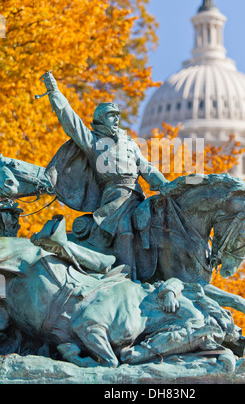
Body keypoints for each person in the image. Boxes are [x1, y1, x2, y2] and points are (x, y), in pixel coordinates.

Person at [40, 71, 170, 279]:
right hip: (114, 198)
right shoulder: (93, 142)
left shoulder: (129, 142)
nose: (116, 120)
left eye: (118, 116)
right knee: (125, 230)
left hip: (136, 195)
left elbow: (146, 167)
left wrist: (165, 184)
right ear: (100, 119)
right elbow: (70, 122)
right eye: (111, 116)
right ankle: (127, 277)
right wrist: (54, 91)